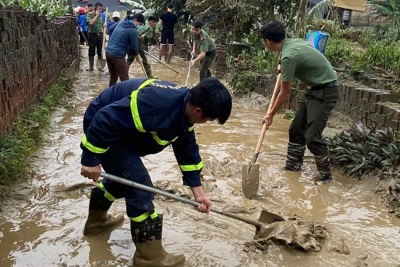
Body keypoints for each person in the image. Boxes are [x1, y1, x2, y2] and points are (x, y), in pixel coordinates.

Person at [80, 77, 232, 266]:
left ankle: (96, 223)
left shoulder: (184, 111)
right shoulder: (158, 102)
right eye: (208, 120)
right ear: (198, 111)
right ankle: (149, 257)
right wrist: (91, 158)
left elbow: (188, 152)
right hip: (103, 129)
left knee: (124, 180)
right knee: (141, 188)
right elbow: (106, 118)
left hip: (122, 133)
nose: (206, 123)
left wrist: (199, 193)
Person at [260, 21, 338, 184]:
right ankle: (293, 166)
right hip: (313, 89)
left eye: (263, 41)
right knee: (296, 129)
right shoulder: (291, 44)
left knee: (312, 137)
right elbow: (292, 59)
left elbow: (285, 94)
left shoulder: (288, 56)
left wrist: (270, 115)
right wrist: (282, 67)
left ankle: (326, 176)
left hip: (326, 91)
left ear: (268, 41)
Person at [105, 13, 143, 86]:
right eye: (139, 24)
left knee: (113, 77)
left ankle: (110, 94)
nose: (138, 26)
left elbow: (110, 29)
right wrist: (138, 57)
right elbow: (133, 48)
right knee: (125, 78)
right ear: (135, 20)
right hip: (117, 55)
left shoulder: (122, 21)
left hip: (108, 51)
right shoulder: (133, 30)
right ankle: (127, 95)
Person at [86, 2, 104, 71]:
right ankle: (91, 66)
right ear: (97, 7)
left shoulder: (101, 16)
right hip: (92, 35)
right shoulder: (89, 15)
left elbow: (101, 25)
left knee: (99, 51)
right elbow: (91, 23)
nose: (101, 9)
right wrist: (96, 16)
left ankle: (99, 66)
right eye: (100, 8)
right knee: (91, 50)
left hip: (100, 35)